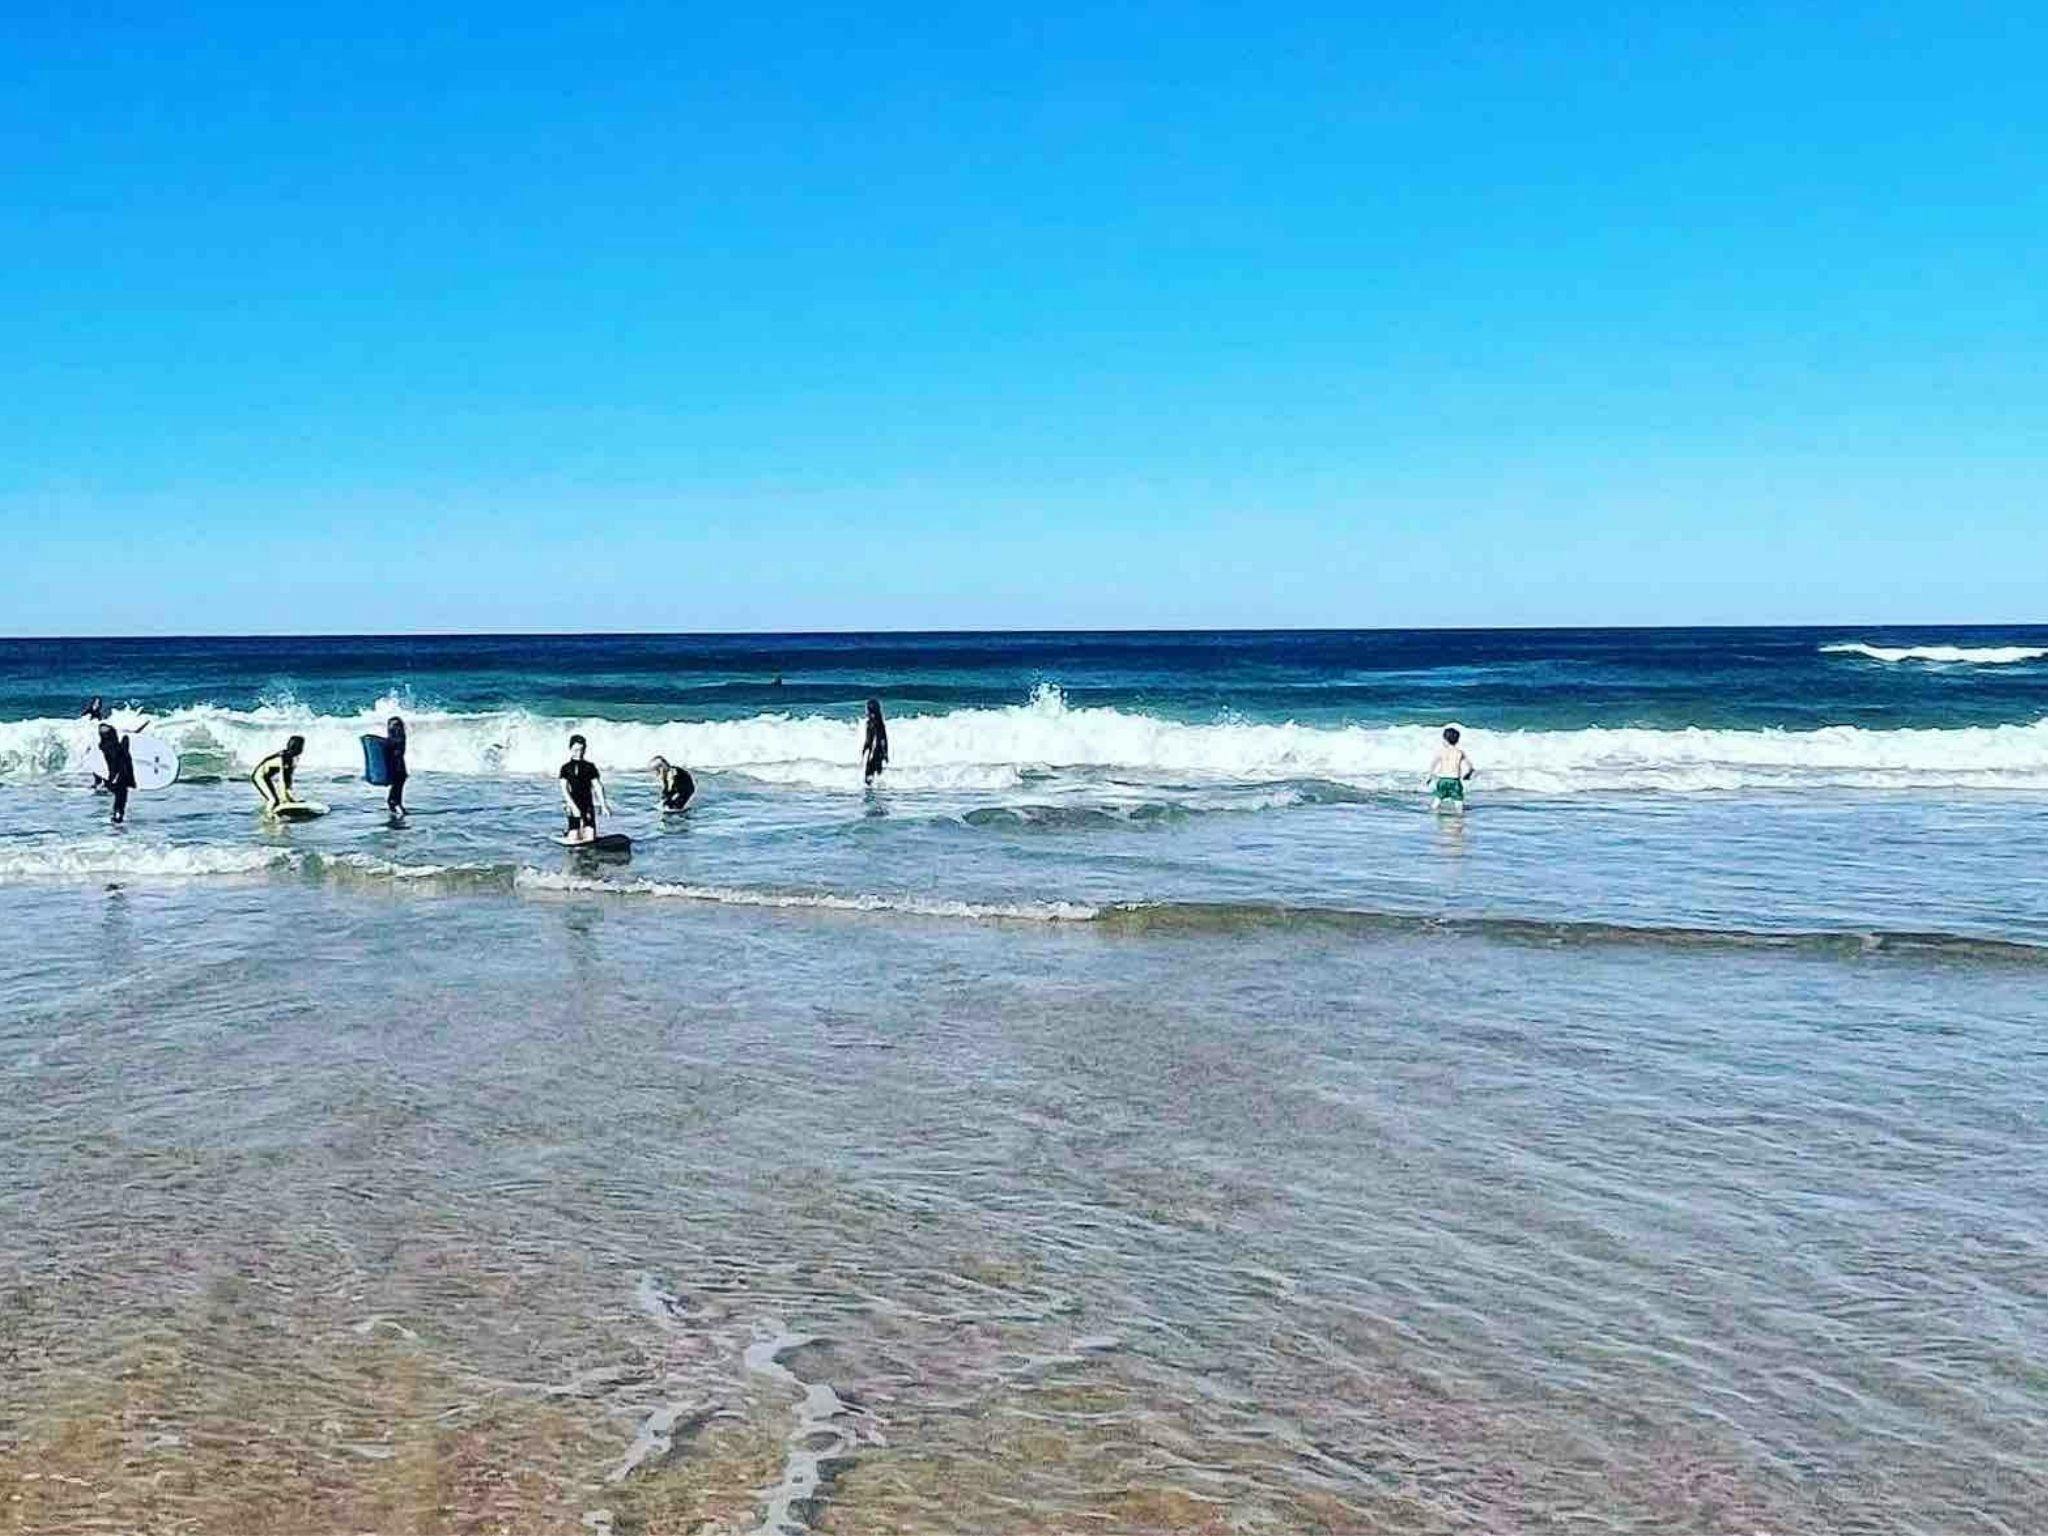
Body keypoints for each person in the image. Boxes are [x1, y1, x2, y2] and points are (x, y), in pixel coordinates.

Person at [558, 734, 609, 843]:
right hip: (572, 803)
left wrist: (603, 805)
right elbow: (564, 789)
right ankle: (570, 832)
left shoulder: (590, 767)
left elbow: (597, 786)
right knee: (573, 838)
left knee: (590, 838)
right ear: (570, 749)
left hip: (587, 804)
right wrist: (572, 806)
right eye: (576, 750)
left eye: (581, 750)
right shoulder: (565, 768)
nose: (579, 753)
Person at [252, 735, 306, 812]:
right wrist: (285, 798)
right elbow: (282, 780)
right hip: (259, 777)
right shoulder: (286, 757)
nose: (302, 749)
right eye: (301, 746)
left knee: (277, 800)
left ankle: (272, 812)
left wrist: (290, 799)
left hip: (266, 777)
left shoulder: (291, 757)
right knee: (273, 800)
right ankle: (268, 818)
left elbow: (288, 779)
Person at [96, 723, 136, 824]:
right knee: (121, 795)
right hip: (118, 774)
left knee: (120, 796)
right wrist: (126, 740)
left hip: (113, 775)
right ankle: (118, 816)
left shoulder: (104, 745)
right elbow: (120, 755)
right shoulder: (111, 747)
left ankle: (117, 815)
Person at [1428, 726, 1476, 810]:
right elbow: (1471, 767)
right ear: (1457, 740)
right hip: (1454, 780)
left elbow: (1433, 765)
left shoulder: (1441, 752)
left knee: (1438, 799)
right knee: (1458, 801)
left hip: (1442, 780)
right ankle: (1459, 816)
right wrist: (1468, 774)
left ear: (1445, 740)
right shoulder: (1460, 752)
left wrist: (1431, 776)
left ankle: (1432, 812)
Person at [383, 716, 409, 818]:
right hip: (396, 765)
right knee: (397, 784)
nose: (396, 728)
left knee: (398, 784)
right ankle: (394, 803)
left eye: (398, 725)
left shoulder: (398, 738)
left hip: (398, 765)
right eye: (394, 725)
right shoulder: (395, 738)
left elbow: (398, 751)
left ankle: (395, 803)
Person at [861, 698, 889, 784]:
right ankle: (875, 793)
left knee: (869, 775)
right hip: (876, 751)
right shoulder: (874, 722)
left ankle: (871, 794)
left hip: (875, 751)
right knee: (874, 775)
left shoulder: (874, 723)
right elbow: (870, 739)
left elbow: (882, 738)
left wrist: (885, 753)